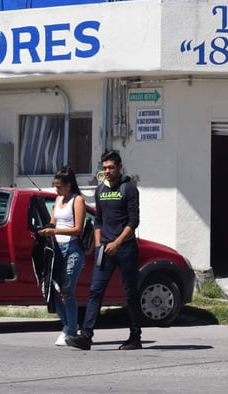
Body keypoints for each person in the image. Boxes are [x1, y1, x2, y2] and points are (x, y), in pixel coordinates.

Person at [66, 149, 143, 351]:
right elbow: (98, 221)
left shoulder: (129, 188)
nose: (107, 171)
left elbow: (134, 221)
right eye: (105, 168)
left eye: (111, 167)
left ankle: (135, 337)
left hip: (125, 249)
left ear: (119, 167)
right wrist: (99, 244)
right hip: (105, 249)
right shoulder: (100, 190)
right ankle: (86, 336)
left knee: (130, 294)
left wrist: (117, 243)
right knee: (95, 292)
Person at [36, 167, 86, 346]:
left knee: (67, 290)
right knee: (50, 288)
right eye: (54, 186)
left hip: (72, 249)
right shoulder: (58, 200)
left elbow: (78, 229)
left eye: (58, 186)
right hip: (57, 248)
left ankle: (71, 330)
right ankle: (68, 324)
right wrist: (44, 229)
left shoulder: (77, 200)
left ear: (68, 185)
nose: (56, 190)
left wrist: (54, 230)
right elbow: (53, 220)